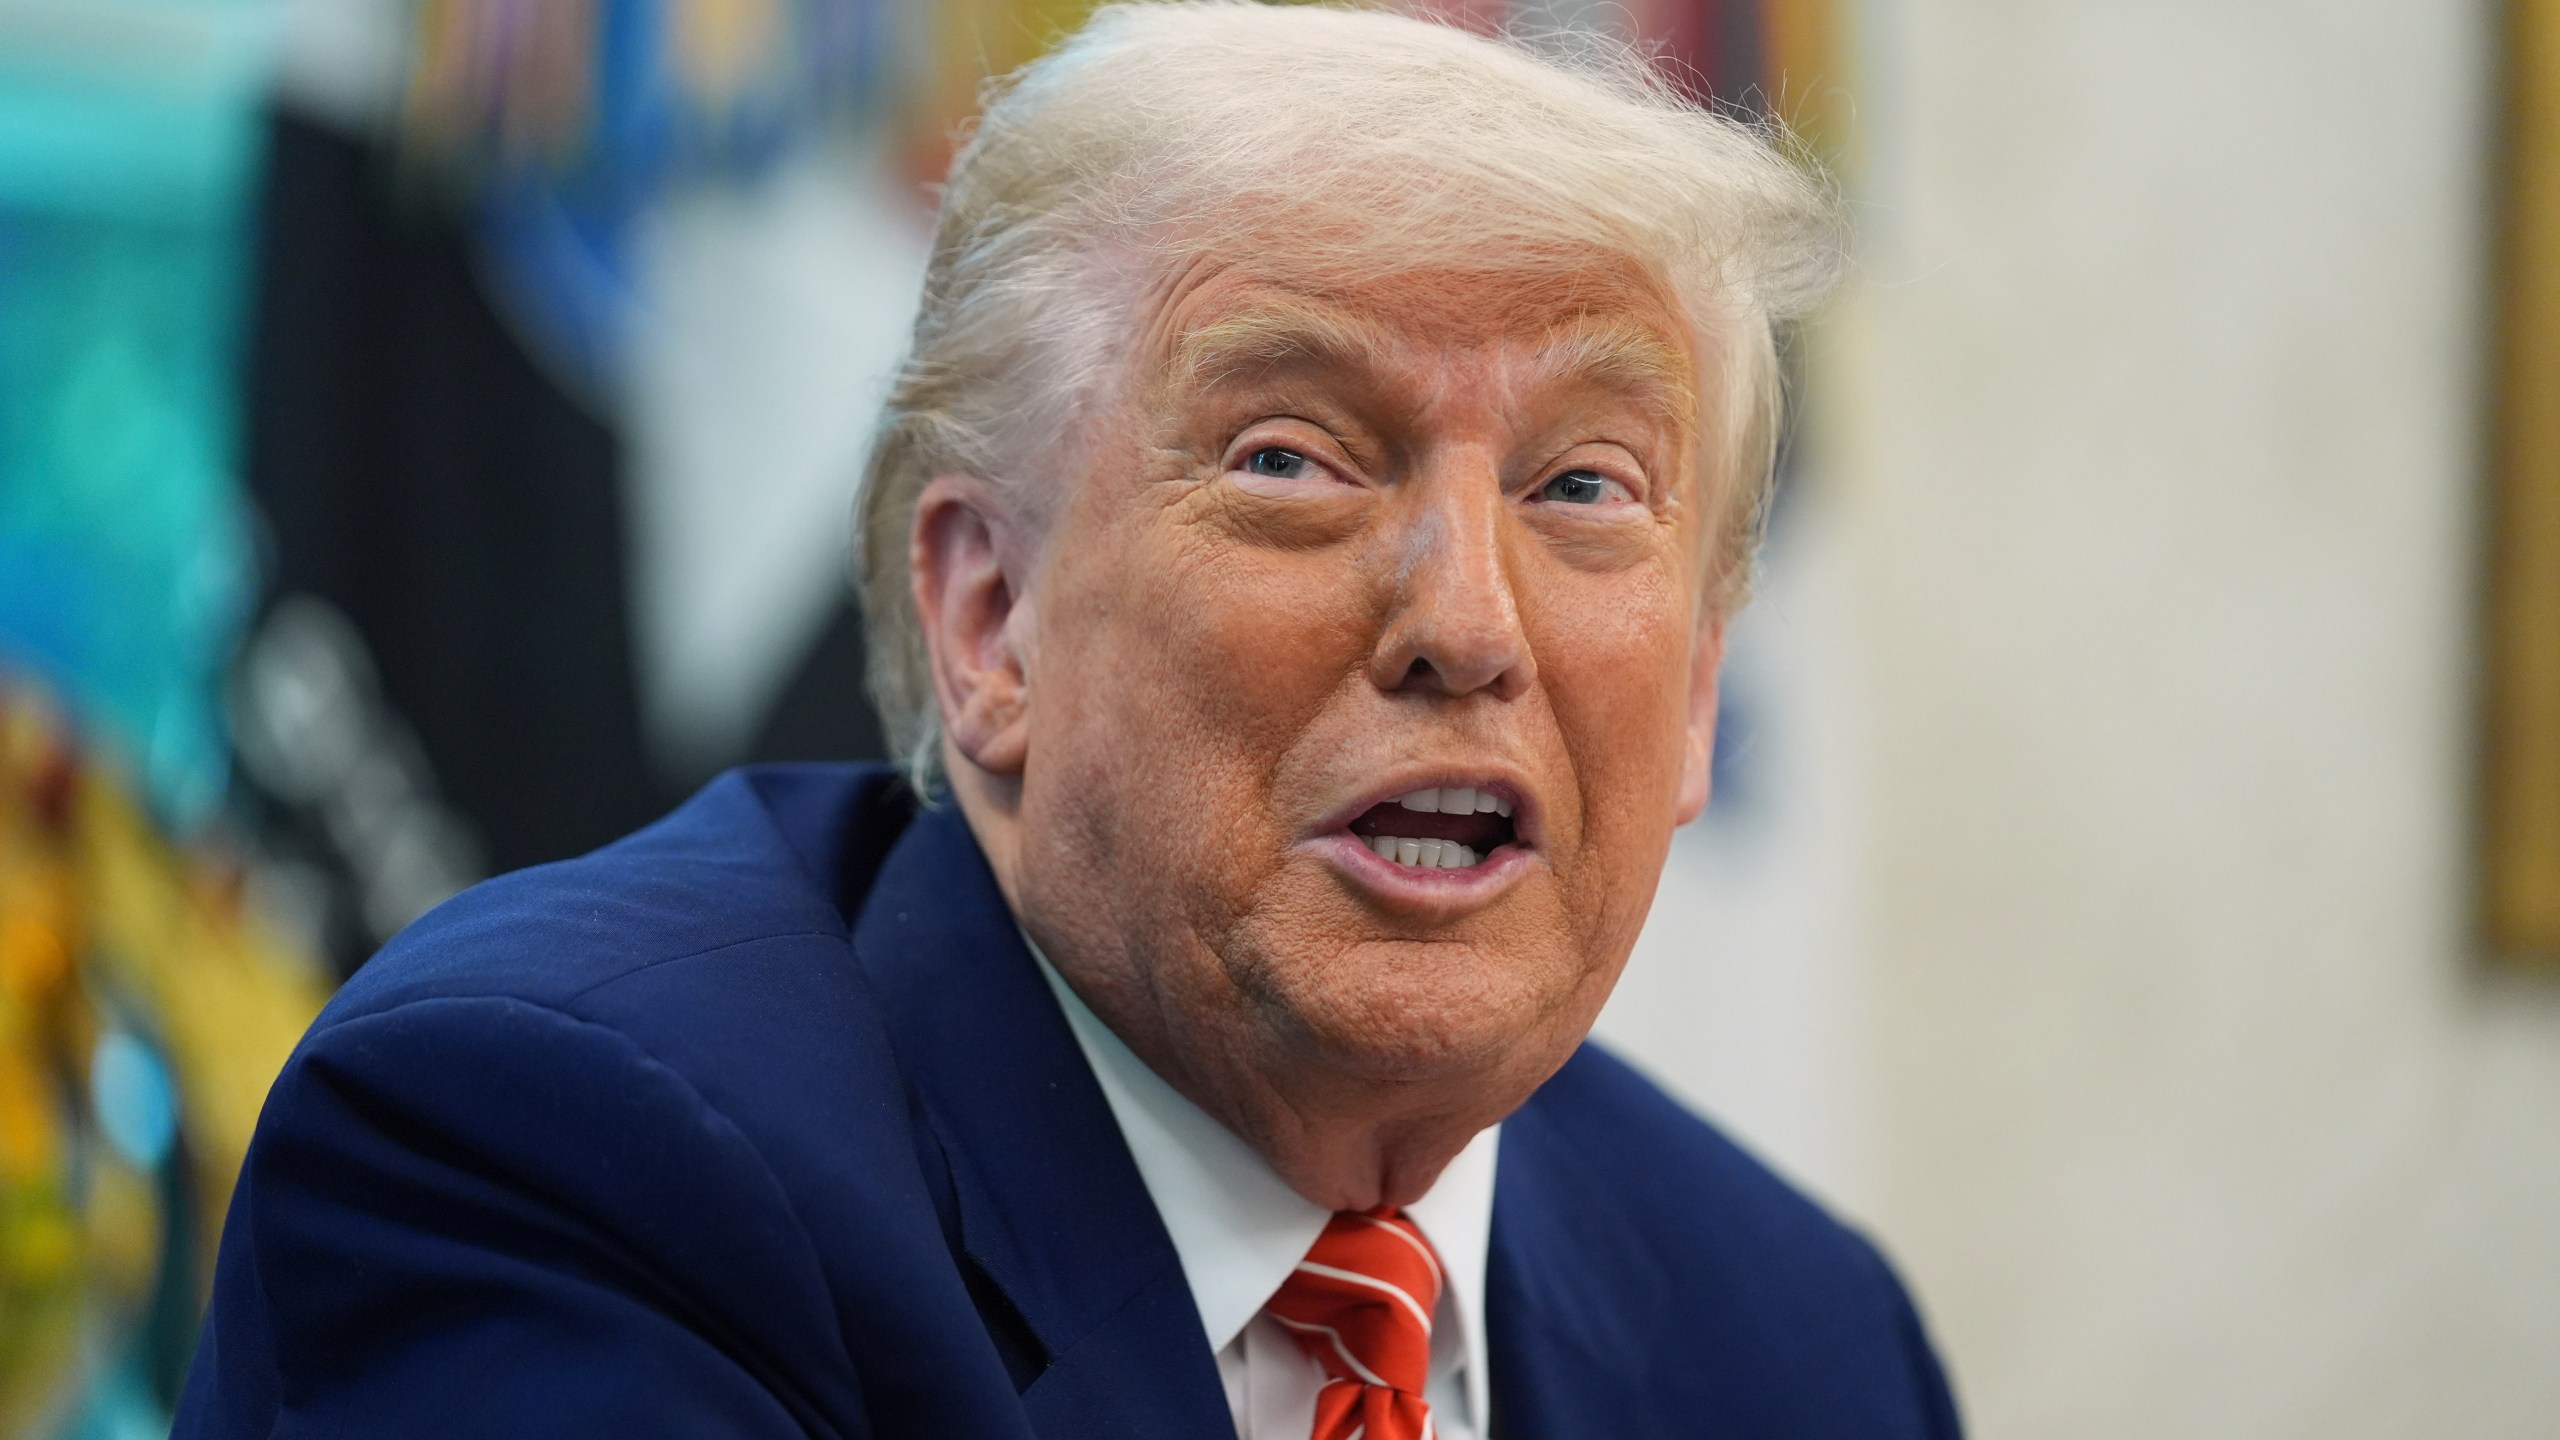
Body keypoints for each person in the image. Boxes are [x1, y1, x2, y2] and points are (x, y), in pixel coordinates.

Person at [175, 4, 1961, 1437]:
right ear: (988, 616)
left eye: (1583, 487)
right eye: (1293, 460)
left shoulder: (1800, 1341)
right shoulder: (557, 1158)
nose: (1469, 626)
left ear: (1702, 683)